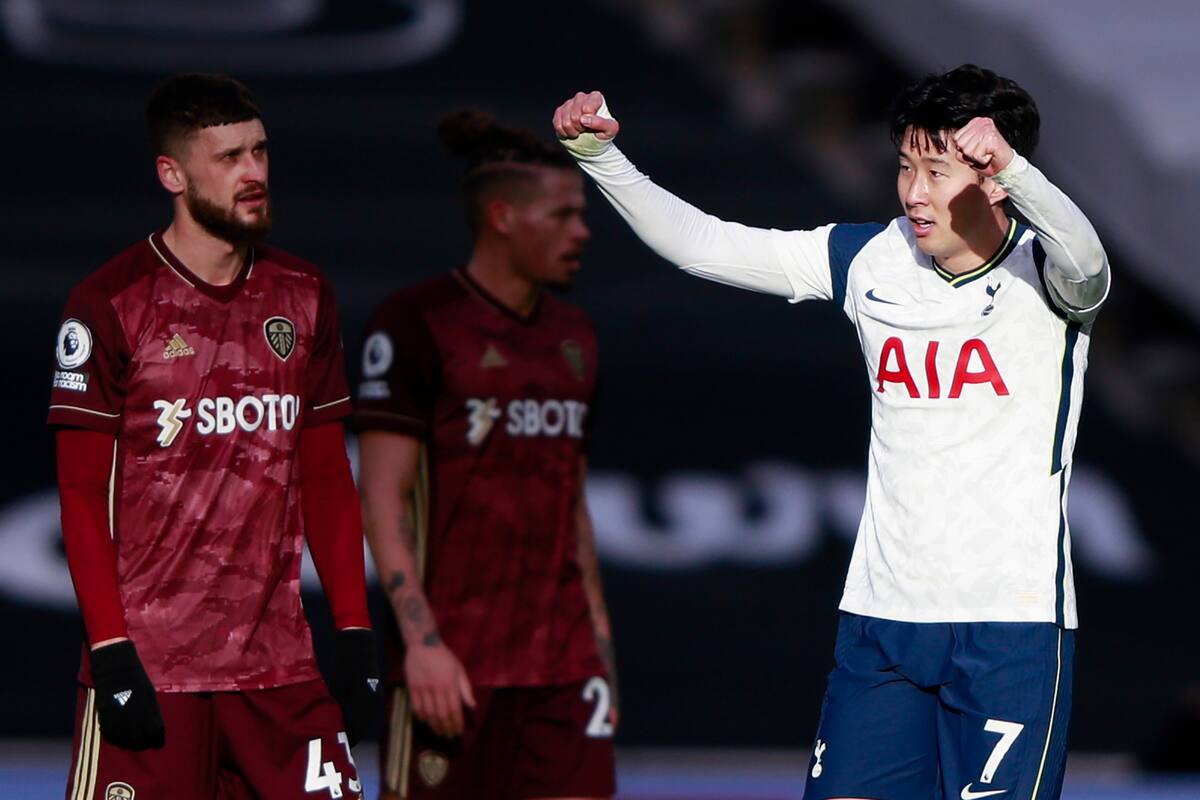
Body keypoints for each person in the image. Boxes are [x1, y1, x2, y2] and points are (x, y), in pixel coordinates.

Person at [554, 64, 1109, 800]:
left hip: (1011, 626)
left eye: (937, 171)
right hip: (882, 620)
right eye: (905, 166)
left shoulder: (1049, 274)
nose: (914, 192)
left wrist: (1016, 167)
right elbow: (705, 246)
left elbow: (1090, 257)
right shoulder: (869, 258)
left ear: (996, 179)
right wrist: (599, 156)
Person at [50, 73, 379, 800]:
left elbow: (327, 477)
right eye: (228, 157)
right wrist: (111, 651)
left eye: (259, 151)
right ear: (172, 174)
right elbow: (81, 492)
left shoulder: (304, 295)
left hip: (281, 671)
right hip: (154, 671)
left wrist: (355, 632)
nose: (253, 172)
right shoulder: (110, 303)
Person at [353, 111, 616, 800]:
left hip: (563, 667)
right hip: (454, 668)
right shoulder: (416, 325)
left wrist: (599, 645)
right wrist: (423, 646)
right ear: (503, 217)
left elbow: (572, 498)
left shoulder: (577, 336)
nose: (582, 232)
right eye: (563, 215)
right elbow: (381, 499)